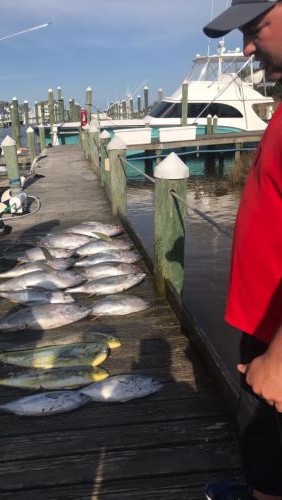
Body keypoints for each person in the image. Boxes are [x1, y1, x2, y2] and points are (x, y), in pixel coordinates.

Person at [203, 1, 282, 499]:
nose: (248, 47)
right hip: (264, 325)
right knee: (266, 451)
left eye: (257, 28)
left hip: (277, 338)